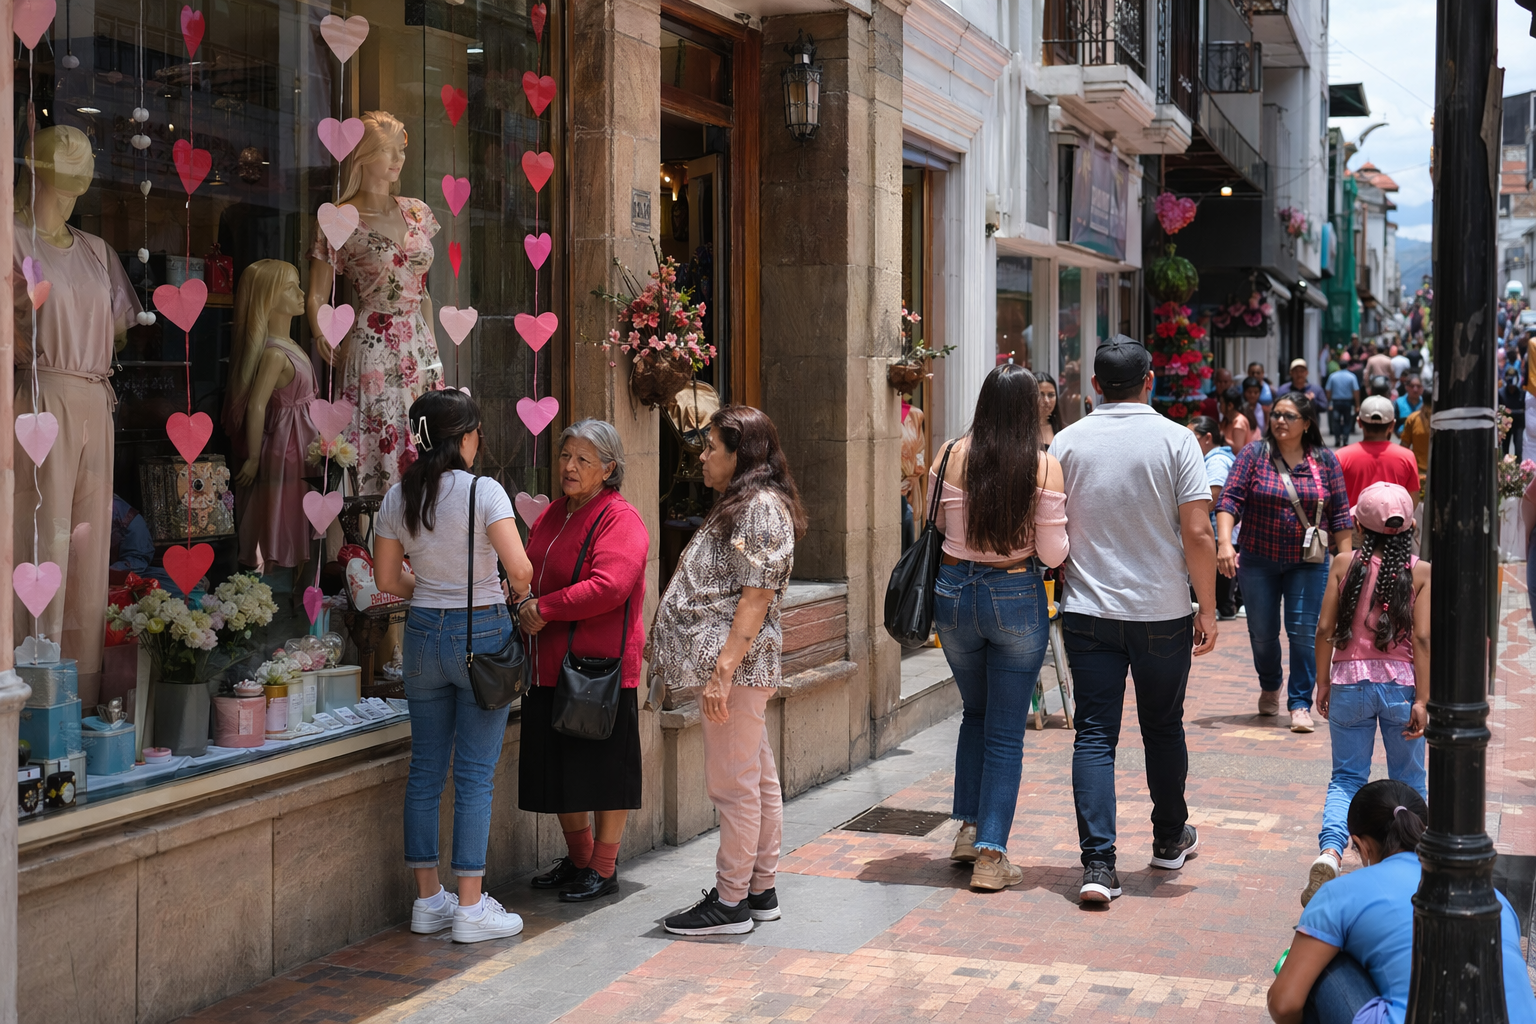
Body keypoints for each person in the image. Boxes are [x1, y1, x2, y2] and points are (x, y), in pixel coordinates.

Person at [1050, 335, 1217, 904]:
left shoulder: (1067, 442)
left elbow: (1050, 528)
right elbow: (1198, 532)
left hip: (1088, 609)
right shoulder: (1177, 439)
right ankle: (1169, 837)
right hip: (1161, 610)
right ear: (1150, 381)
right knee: (1163, 727)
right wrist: (1208, 608)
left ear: (1095, 385)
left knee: (1095, 734)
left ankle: (1098, 865)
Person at [373, 390, 534, 943]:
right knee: (473, 774)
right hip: (481, 633)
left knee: (425, 769)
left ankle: (428, 901)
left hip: (421, 635)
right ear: (464, 437)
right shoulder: (483, 491)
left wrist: (433, 590)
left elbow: (387, 580)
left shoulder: (399, 495)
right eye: (476, 432)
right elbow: (520, 571)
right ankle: (469, 906)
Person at [652, 406, 805, 936]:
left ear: (742, 455)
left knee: (734, 786)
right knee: (755, 779)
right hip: (736, 669)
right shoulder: (751, 504)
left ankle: (731, 901)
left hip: (735, 671)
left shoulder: (758, 508)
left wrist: (722, 673)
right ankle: (758, 890)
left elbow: (756, 597)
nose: (702, 456)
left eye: (712, 447)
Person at [929, 365, 1068, 890]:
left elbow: (937, 525)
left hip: (953, 594)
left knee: (975, 712)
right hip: (1013, 593)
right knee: (1006, 731)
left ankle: (968, 831)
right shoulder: (1043, 466)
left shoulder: (948, 454)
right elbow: (1052, 554)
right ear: (1029, 408)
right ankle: (991, 856)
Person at [1267, 781, 1536, 1024]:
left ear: (1362, 845)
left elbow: (1284, 1004)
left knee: (1316, 961)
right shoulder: (1493, 897)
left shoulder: (1341, 892)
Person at [518, 420, 648, 904]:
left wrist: (545, 608)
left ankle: (604, 868)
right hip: (547, 665)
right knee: (561, 771)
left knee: (603, 774)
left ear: (608, 469)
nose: (569, 467)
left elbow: (609, 586)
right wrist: (521, 600)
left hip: (598, 671)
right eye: (564, 456)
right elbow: (527, 569)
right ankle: (579, 861)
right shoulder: (554, 513)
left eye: (582, 460)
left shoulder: (620, 518)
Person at [1301, 483, 1428, 907]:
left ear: (1357, 525)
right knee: (1409, 780)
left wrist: (1322, 683)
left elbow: (1324, 628)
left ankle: (1330, 853)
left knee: (1346, 777)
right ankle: (1413, 862)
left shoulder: (1343, 563)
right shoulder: (1421, 572)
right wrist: (1422, 700)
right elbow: (1423, 639)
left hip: (1349, 682)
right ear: (1411, 526)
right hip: (1401, 686)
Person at [1216, 393, 1353, 732]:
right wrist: (1224, 542)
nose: (1280, 420)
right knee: (1262, 632)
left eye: (1289, 416)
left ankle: (1299, 703)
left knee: (1304, 632)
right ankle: (1270, 682)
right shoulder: (1254, 454)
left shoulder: (1324, 460)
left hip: (1308, 562)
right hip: (1258, 559)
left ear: (1306, 423)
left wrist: (1347, 564)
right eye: (1276, 414)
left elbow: (1340, 515)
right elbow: (1230, 499)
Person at [1190, 417, 1238, 620]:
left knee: (1217, 579)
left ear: (1207, 438)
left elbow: (1213, 495)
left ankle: (1218, 610)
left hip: (1218, 531)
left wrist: (1191, 518)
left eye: (1192, 437)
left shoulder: (1216, 461)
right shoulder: (1217, 458)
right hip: (1220, 531)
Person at [1334, 397, 1421, 506]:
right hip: (1395, 517)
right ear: (1392, 425)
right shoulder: (1407, 456)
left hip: (1353, 517)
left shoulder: (1341, 456)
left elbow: (1333, 499)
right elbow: (1413, 500)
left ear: (1359, 422)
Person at [1398, 394, 1432, 498]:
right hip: (1419, 475)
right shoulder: (1413, 419)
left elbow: (1404, 447)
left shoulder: (1413, 418)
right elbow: (1404, 447)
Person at [1324, 361, 1362, 449]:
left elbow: (1328, 390)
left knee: (1336, 420)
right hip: (1348, 402)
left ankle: (1337, 438)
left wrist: (1328, 402)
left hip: (1336, 402)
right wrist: (1357, 405)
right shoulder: (1352, 376)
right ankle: (1345, 438)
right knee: (1347, 421)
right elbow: (1356, 391)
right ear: (1347, 366)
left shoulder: (1333, 376)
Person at [1035, 370, 1065, 448]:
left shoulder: (1063, 430)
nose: (1046, 400)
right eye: (1040, 395)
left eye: (1051, 395)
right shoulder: (1020, 430)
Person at [1502, 366, 1526, 458]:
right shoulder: (1501, 393)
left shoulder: (1522, 394)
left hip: (1518, 425)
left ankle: (1519, 465)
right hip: (1505, 425)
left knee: (1519, 450)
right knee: (1504, 450)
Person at [1221, 386, 1255, 450]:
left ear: (1230, 405)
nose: (1219, 405)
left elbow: (1238, 449)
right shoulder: (1226, 420)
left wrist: (1223, 439)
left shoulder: (1239, 422)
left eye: (1221, 403)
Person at [1242, 376, 1269, 440]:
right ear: (1244, 392)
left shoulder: (1264, 410)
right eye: (1249, 392)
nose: (1252, 395)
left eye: (1256, 392)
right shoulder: (1240, 410)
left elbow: (1266, 429)